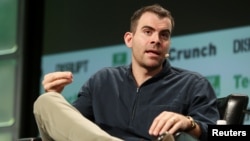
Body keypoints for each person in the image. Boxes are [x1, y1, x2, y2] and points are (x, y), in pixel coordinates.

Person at [33, 4, 220, 141]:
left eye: (164, 35)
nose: (156, 40)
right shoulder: (103, 81)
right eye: (148, 32)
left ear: (168, 44)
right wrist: (55, 98)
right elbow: (75, 131)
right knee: (46, 101)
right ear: (129, 39)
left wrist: (190, 123)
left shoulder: (192, 83)